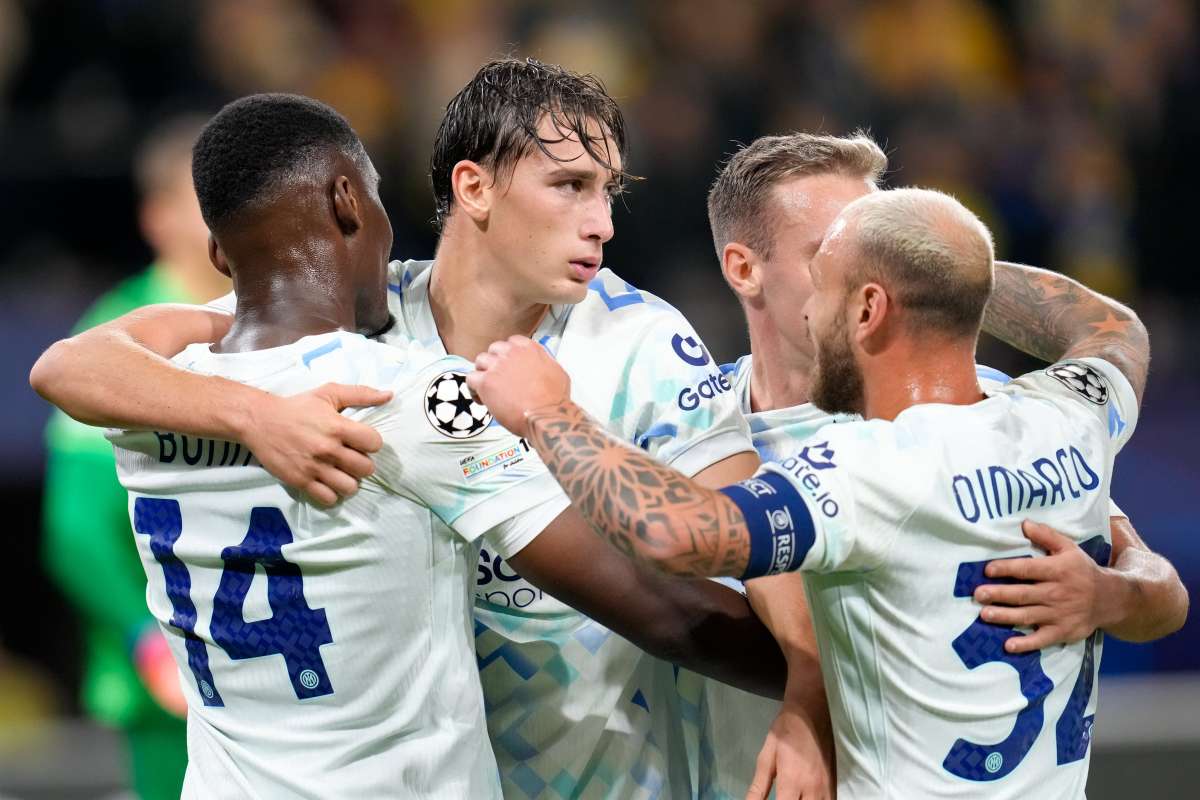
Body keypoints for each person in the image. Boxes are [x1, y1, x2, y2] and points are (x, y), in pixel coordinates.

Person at [31, 60, 830, 798]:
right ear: (470, 188)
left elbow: (70, 363)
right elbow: (670, 612)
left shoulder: (638, 339)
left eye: (607, 193)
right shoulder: (390, 371)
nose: (601, 223)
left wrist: (807, 697)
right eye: (569, 185)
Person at [466, 186, 1170, 797]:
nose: (808, 316)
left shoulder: (869, 472)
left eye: (824, 286)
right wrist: (934, 261)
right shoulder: (1071, 415)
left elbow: (674, 532)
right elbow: (1110, 326)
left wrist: (548, 412)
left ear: (869, 309)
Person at [700, 132, 1190, 797]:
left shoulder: (979, 408)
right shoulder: (692, 426)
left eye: (877, 237)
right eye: (830, 249)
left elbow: (1159, 589)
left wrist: (1112, 594)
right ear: (743, 268)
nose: (865, 266)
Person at [40, 115, 229, 800]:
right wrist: (145, 637)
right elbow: (77, 530)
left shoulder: (290, 321)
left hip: (286, 654)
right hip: (167, 681)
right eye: (205, 198)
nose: (228, 214)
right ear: (158, 217)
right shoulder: (106, 343)